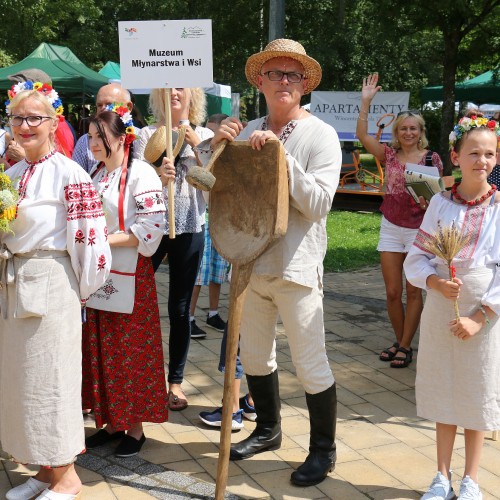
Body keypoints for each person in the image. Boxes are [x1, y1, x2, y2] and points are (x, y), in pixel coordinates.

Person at [203, 38, 341, 487]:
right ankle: (267, 430)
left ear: (305, 85)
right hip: (249, 265)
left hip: (296, 266)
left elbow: (319, 204)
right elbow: (211, 191)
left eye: (294, 75)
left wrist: (281, 159)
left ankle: (323, 450)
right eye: (276, 74)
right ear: (260, 81)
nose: (285, 82)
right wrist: (214, 149)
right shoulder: (243, 131)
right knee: (256, 359)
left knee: (310, 363)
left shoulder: (319, 135)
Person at [0, 83, 111, 499]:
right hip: (14, 284)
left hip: (51, 283)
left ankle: (68, 477)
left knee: (51, 379)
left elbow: (90, 241)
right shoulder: (10, 175)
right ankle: (46, 469)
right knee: (23, 380)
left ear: (54, 122)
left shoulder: (70, 172)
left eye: (35, 118)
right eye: (17, 118)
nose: (25, 125)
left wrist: (77, 295)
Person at [404, 116, 500, 499]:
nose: (483, 161)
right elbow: (417, 257)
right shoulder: (440, 204)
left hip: (484, 313)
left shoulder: (498, 207)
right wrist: (435, 282)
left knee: (476, 391)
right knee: (444, 388)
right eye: (474, 152)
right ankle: (441, 476)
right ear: (456, 157)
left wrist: (480, 317)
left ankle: (471, 479)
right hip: (441, 307)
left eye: (490, 153)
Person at [81, 106, 169, 457]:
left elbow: (150, 227)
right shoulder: (96, 173)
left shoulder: (141, 174)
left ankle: (135, 427)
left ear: (122, 138)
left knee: (129, 349)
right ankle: (111, 420)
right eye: (89, 137)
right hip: (100, 273)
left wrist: (103, 238)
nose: (93, 144)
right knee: (102, 346)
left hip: (131, 274)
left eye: (99, 137)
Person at [356, 73, 443, 368]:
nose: (408, 133)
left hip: (421, 230)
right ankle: (400, 340)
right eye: (404, 128)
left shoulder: (432, 159)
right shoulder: (389, 155)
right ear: (397, 131)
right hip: (392, 227)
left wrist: (430, 200)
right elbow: (362, 136)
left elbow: (441, 199)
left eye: (413, 128)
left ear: (421, 132)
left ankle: (405, 346)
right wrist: (365, 102)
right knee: (393, 292)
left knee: (414, 290)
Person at [134, 88, 213, 411]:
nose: (175, 92)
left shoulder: (204, 134)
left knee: (180, 309)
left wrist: (197, 148)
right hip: (152, 226)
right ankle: (139, 377)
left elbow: (212, 183)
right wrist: (156, 175)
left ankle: (175, 383)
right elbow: (135, 182)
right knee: (138, 302)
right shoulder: (146, 134)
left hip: (190, 226)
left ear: (193, 95)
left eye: (181, 86)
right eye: (168, 86)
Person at [189, 113, 230, 339]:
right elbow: (202, 170)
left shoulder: (229, 149)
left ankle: (213, 313)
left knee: (217, 270)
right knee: (198, 272)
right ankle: (189, 317)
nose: (215, 137)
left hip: (222, 216)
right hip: (202, 214)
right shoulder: (201, 143)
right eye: (212, 132)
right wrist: (199, 144)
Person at [4, 69, 75, 163]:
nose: (14, 91)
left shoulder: (60, 126)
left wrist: (25, 159)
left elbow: (62, 168)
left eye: (20, 88)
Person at [72, 83, 134, 173]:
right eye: (99, 105)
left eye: (110, 105)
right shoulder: (84, 142)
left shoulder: (142, 137)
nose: (103, 109)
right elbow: (76, 178)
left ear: (129, 107)